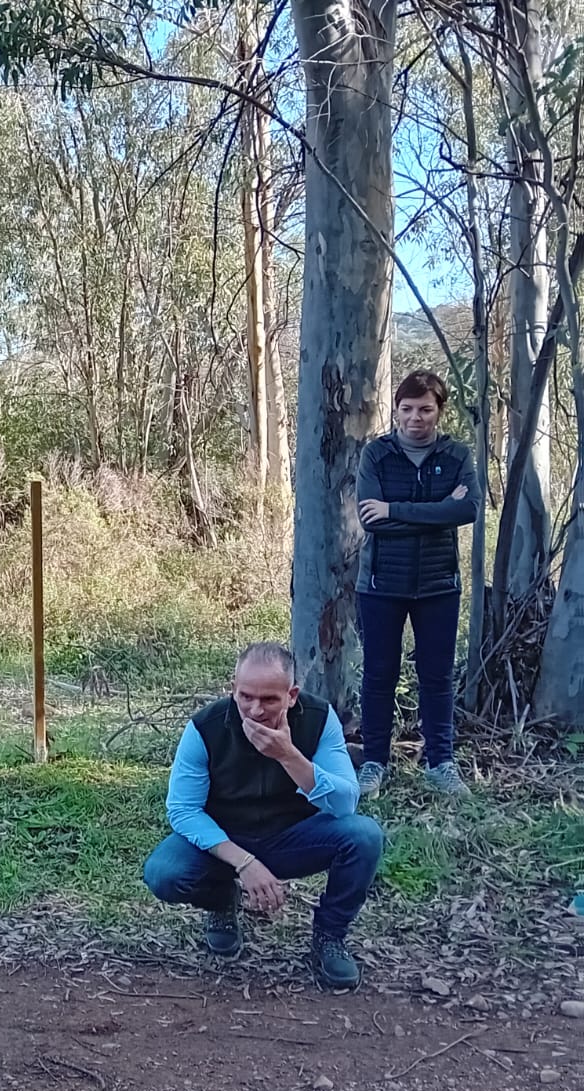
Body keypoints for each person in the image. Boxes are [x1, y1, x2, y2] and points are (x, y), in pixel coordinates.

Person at [141, 643, 380, 989]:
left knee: (364, 836)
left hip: (293, 838)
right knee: (164, 873)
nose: (255, 710)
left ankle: (330, 935)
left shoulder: (318, 718)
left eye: (269, 699)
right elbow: (183, 811)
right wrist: (244, 863)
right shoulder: (205, 727)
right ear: (233, 690)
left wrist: (289, 756)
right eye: (246, 696)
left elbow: (345, 804)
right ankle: (222, 900)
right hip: (224, 841)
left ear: (292, 695)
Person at [356, 368, 480, 799]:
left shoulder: (458, 455)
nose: (416, 418)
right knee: (379, 674)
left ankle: (441, 763)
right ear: (395, 411)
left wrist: (393, 510)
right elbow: (370, 523)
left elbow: (467, 513)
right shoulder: (376, 455)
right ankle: (374, 763)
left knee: (437, 676)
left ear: (439, 411)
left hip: (439, 585)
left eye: (426, 409)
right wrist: (436, 511)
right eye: (407, 409)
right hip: (379, 584)